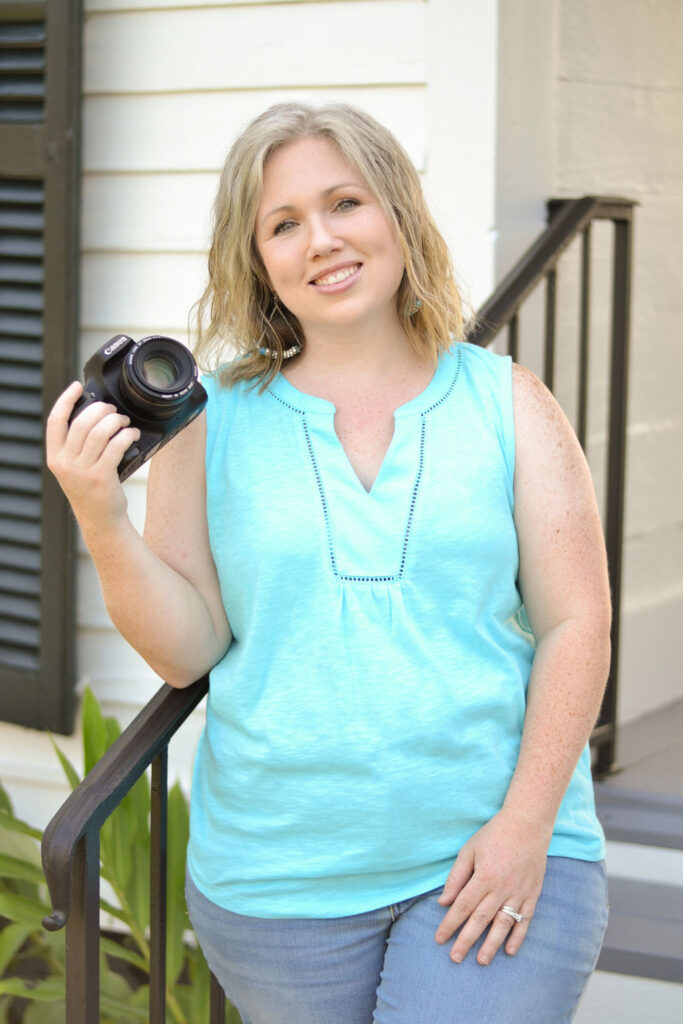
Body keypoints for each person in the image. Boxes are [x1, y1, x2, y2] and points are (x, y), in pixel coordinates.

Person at [46, 103, 611, 1024]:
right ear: (257, 256)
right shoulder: (207, 419)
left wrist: (527, 821)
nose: (322, 240)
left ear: (394, 211)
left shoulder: (508, 402)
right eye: (283, 223)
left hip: (489, 853)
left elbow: (576, 621)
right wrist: (100, 515)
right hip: (275, 888)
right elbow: (188, 651)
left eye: (344, 202)